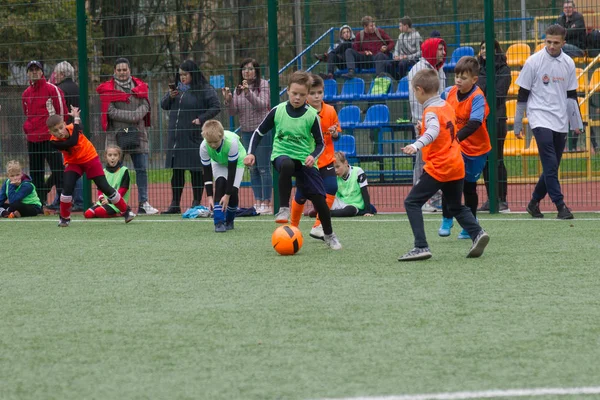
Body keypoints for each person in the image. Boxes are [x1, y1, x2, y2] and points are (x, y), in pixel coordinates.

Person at [244, 70, 342, 250]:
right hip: (282, 157)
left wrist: (313, 156)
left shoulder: (311, 115)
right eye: (294, 93)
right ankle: (283, 208)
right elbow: (258, 133)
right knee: (287, 164)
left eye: (302, 95)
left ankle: (329, 235)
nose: (297, 98)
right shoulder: (278, 111)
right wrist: (251, 153)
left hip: (305, 161)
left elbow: (321, 143)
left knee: (320, 199)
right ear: (287, 90)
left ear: (306, 95)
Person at [399, 69, 490, 261]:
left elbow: (433, 131)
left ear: (419, 89)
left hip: (440, 166)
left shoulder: (430, 111)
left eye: (414, 92)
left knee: (411, 202)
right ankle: (477, 233)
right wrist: (421, 130)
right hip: (456, 163)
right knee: (456, 206)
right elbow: (442, 130)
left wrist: (416, 144)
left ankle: (421, 246)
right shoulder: (447, 106)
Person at [514, 24, 583, 220]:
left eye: (556, 43)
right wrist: (518, 124)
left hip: (560, 120)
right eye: (548, 42)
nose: (551, 46)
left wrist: (576, 123)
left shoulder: (568, 63)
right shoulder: (533, 62)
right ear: (545, 40)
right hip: (539, 117)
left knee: (551, 167)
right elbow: (522, 94)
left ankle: (533, 203)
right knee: (551, 163)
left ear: (564, 43)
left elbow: (571, 95)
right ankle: (561, 206)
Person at [47, 107, 134, 227]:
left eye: (61, 127)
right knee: (66, 188)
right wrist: (76, 119)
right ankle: (64, 218)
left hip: (90, 158)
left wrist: (77, 118)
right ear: (51, 133)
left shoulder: (74, 127)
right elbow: (72, 142)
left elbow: (78, 131)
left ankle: (126, 211)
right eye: (55, 131)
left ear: (64, 124)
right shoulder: (53, 141)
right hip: (73, 162)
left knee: (104, 187)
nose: (60, 132)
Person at [96, 57, 158, 215]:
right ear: (114, 71)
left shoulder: (140, 86)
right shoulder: (108, 88)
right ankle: (113, 203)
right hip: (116, 136)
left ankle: (143, 203)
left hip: (138, 134)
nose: (122, 73)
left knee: (142, 169)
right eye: (119, 70)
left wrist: (136, 116)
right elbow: (109, 110)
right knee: (113, 171)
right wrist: (133, 116)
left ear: (129, 70)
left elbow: (146, 104)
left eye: (125, 70)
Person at [439, 56, 491, 238]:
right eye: (457, 76)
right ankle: (447, 217)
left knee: (469, 187)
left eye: (464, 77)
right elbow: (437, 111)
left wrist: (454, 139)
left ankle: (469, 225)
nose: (459, 80)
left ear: (474, 79)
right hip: (456, 148)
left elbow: (475, 123)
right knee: (448, 181)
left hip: (476, 150)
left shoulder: (478, 97)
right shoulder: (448, 93)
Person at [161, 59, 220, 214]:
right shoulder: (177, 90)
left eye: (185, 74)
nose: (182, 78)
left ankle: (196, 202)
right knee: (177, 171)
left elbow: (216, 106)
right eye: (180, 75)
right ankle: (175, 203)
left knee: (195, 170)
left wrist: (201, 119)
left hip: (194, 136)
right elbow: (163, 105)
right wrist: (170, 96)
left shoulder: (204, 89)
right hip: (176, 138)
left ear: (192, 73)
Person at [289, 74, 341, 240]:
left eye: (320, 92)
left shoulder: (331, 111)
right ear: (306, 95)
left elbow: (337, 134)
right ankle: (292, 227)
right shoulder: (302, 113)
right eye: (312, 93)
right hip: (308, 161)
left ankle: (318, 226)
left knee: (331, 187)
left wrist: (334, 134)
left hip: (326, 159)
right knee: (301, 195)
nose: (316, 96)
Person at [223, 58, 272, 214]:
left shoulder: (263, 84)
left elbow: (262, 104)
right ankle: (257, 201)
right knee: (253, 168)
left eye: (250, 69)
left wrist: (248, 93)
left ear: (256, 71)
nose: (247, 72)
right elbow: (233, 112)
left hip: (262, 131)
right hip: (246, 132)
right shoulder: (238, 88)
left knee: (264, 168)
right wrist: (229, 100)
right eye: (244, 69)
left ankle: (267, 203)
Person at [407, 37, 447, 213]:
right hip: (424, 122)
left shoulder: (439, 69)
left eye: (443, 49)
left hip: (439, 121)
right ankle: (420, 198)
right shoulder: (419, 70)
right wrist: (421, 122)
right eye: (439, 49)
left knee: (435, 160)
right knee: (422, 161)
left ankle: (435, 197)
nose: (443, 52)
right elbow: (416, 100)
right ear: (431, 50)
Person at [21, 60, 67, 210]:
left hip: (49, 138)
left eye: (37, 69)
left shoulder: (52, 89)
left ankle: (63, 200)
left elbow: (61, 112)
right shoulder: (26, 93)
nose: (34, 72)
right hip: (33, 139)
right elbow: (26, 113)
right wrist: (27, 128)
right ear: (28, 73)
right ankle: (39, 203)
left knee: (58, 169)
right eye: (31, 69)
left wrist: (59, 132)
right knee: (36, 172)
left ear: (42, 72)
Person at [477, 40, 511, 213]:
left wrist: (479, 97)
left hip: (496, 121)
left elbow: (497, 94)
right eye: (482, 48)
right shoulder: (478, 70)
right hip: (480, 121)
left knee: (497, 160)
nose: (484, 51)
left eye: (488, 48)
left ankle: (502, 199)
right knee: (485, 161)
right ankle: (491, 199)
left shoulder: (504, 70)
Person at [199, 120, 246, 232]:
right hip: (218, 161)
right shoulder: (204, 146)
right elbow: (207, 172)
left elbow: (231, 171)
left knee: (233, 191)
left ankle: (229, 221)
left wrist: (227, 195)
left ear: (221, 137)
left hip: (237, 162)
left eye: (216, 141)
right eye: (210, 142)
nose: (213, 145)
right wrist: (209, 196)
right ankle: (219, 222)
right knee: (220, 182)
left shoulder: (232, 143)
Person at [54, 61, 84, 211]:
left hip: (67, 130)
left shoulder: (60, 90)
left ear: (62, 74)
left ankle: (76, 199)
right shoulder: (78, 87)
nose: (54, 76)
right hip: (79, 128)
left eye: (56, 73)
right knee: (77, 163)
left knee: (70, 164)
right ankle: (70, 198)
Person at [84, 145, 131, 219]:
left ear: (119, 157)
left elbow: (123, 189)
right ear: (106, 157)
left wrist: (109, 200)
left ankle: (119, 212)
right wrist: (101, 198)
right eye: (110, 155)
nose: (112, 157)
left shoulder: (124, 170)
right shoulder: (103, 171)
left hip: (116, 203)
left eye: (115, 155)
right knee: (88, 214)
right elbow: (100, 189)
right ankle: (106, 212)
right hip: (103, 202)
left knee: (99, 212)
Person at [330, 151, 375, 217]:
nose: (335, 170)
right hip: (341, 203)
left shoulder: (358, 172)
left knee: (349, 211)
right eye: (333, 168)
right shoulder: (334, 176)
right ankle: (323, 212)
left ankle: (326, 213)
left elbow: (364, 192)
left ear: (345, 163)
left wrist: (368, 211)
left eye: (337, 166)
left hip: (354, 205)